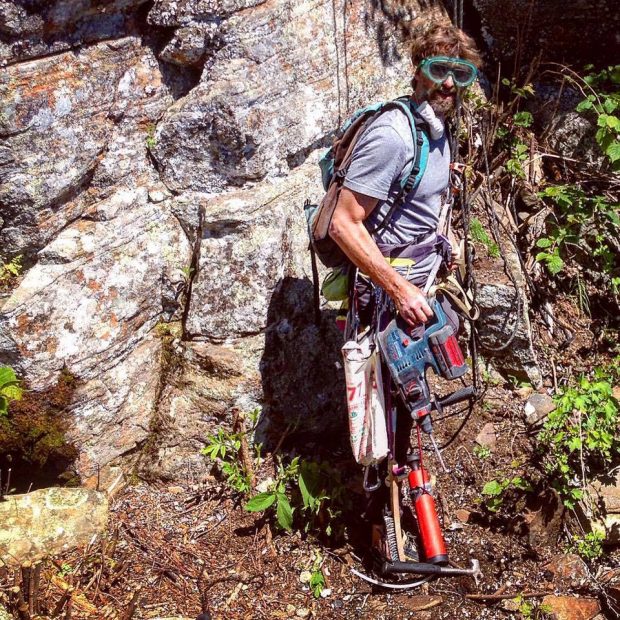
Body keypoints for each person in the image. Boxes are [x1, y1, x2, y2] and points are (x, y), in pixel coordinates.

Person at [328, 22, 482, 332]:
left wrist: (441, 241)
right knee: (384, 380)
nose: (450, 84)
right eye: (439, 70)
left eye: (460, 74)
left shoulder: (438, 128)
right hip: (384, 297)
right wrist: (398, 290)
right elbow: (342, 224)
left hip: (420, 286)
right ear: (418, 71)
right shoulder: (393, 135)